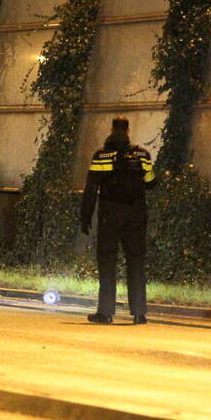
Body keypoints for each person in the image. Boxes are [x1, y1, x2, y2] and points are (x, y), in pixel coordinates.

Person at [80, 117, 156, 325]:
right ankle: (139, 313)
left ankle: (105, 312)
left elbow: (91, 189)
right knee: (136, 262)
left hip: (110, 216)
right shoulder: (142, 155)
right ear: (128, 131)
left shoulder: (101, 156)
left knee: (107, 261)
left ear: (112, 130)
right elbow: (151, 183)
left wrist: (85, 216)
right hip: (136, 216)